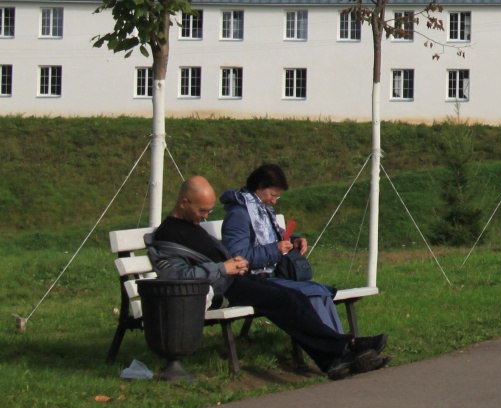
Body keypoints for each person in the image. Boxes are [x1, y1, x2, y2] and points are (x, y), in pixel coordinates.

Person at [148, 176, 389, 379]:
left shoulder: (191, 225)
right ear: (184, 202)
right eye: (202, 211)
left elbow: (215, 257)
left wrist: (236, 264)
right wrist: (224, 268)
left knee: (294, 297)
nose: (205, 216)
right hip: (222, 290)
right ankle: (346, 348)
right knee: (285, 300)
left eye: (209, 211)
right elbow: (178, 277)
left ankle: (337, 356)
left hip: (236, 279)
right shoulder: (167, 236)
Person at [221, 162, 341, 332]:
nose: (274, 201)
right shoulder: (239, 215)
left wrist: (294, 240)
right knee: (313, 293)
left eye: (277, 197)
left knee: (321, 292)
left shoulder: (262, 210)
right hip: (252, 282)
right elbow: (238, 258)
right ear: (260, 187)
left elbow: (273, 236)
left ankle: (343, 344)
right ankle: (338, 348)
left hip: (270, 277)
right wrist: (275, 250)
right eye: (272, 195)